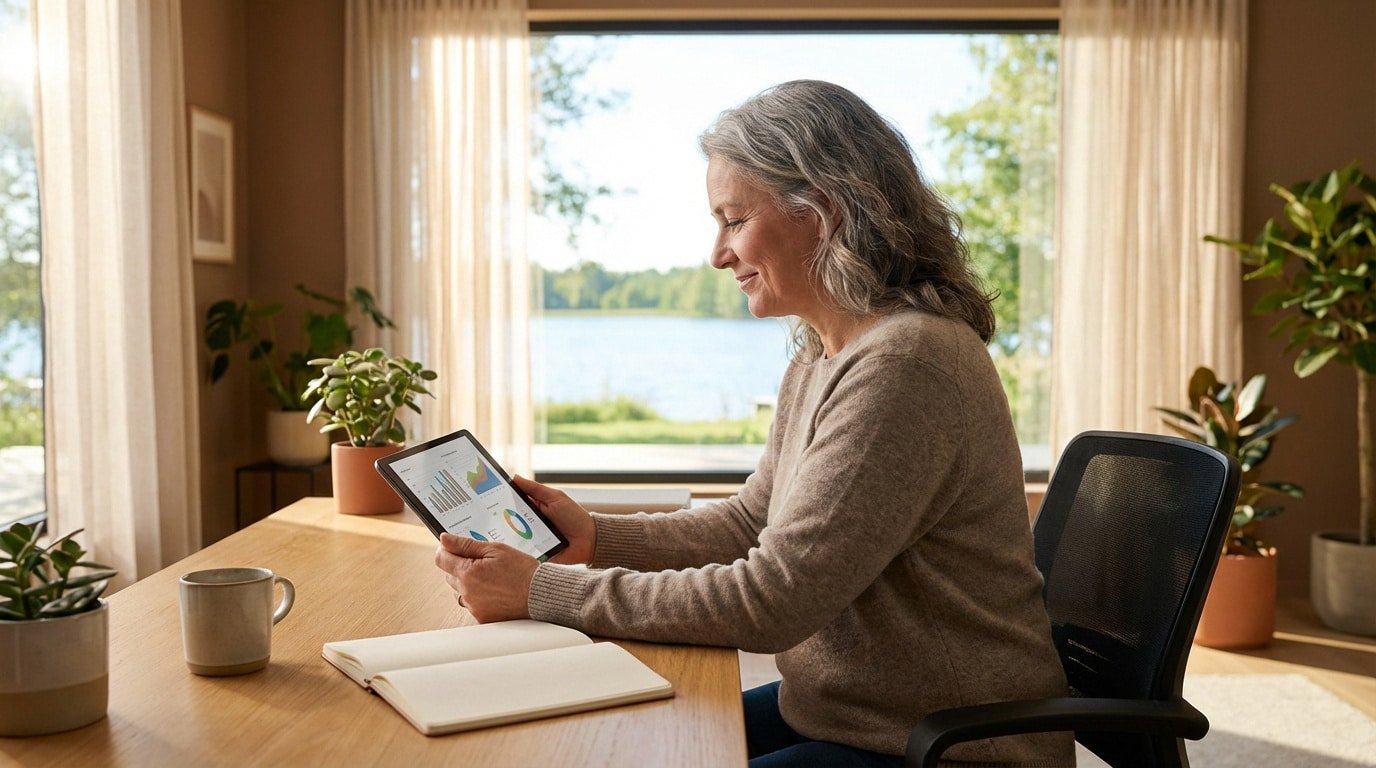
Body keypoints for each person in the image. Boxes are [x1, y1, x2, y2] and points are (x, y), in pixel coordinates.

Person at [435, 80, 1073, 767]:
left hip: (949, 746)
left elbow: (772, 601)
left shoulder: (907, 363)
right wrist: (594, 536)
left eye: (733, 220)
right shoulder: (824, 349)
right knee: (632, 745)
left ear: (822, 212)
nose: (718, 253)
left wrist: (542, 591)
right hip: (852, 714)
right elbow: (750, 523)